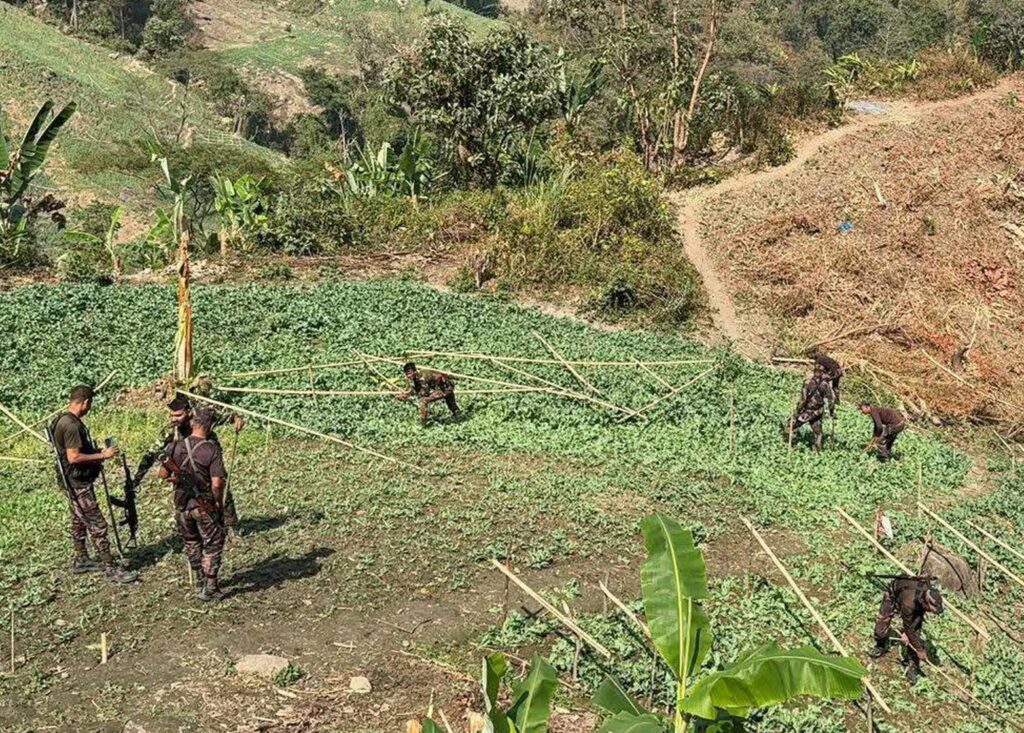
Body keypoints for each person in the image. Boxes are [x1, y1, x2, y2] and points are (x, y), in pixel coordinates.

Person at [49, 385, 138, 583]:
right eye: (90, 404)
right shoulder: (71, 426)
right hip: (77, 481)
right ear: (85, 402)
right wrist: (102, 455)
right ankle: (110, 567)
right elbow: (74, 457)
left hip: (72, 480)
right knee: (98, 524)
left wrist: (96, 452)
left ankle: (81, 558)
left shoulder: (60, 420)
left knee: (78, 520)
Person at [135, 393, 244, 541]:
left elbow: (227, 415)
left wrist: (236, 419)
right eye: (171, 415)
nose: (174, 419)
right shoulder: (170, 432)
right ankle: (191, 528)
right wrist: (136, 480)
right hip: (185, 469)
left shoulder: (201, 418)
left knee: (220, 488)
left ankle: (230, 527)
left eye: (178, 415)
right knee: (184, 496)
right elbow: (150, 455)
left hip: (208, 460)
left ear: (189, 412)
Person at [160, 408, 227, 603]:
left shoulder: (175, 446)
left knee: (191, 542)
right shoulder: (211, 449)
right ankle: (211, 587)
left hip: (181, 505)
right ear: (211, 426)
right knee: (213, 544)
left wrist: (178, 477)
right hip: (203, 506)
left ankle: (199, 580)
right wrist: (217, 502)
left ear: (192, 423)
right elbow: (217, 483)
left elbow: (162, 475)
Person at [870, 576, 944, 684]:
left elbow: (918, 617)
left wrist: (912, 639)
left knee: (915, 636)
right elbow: (908, 625)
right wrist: (920, 650)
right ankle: (880, 645)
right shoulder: (908, 603)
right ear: (927, 603)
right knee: (880, 630)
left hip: (914, 602)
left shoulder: (925, 591)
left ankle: (912, 665)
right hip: (894, 595)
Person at [789, 365, 836, 451]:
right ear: (822, 373)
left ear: (814, 372)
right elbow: (831, 400)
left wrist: (798, 410)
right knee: (818, 434)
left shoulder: (807, 382)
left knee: (789, 426)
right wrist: (831, 412)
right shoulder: (825, 385)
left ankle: (788, 445)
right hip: (818, 412)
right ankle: (816, 452)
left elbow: (803, 400)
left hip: (807, 411)